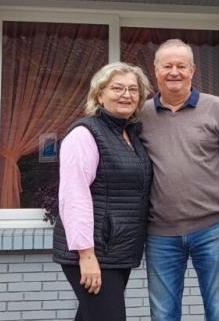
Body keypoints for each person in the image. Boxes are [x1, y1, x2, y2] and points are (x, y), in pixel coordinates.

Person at [139, 39, 219, 321]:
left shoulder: (217, 108)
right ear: (156, 71)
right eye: (167, 66)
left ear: (192, 70)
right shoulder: (141, 114)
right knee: (163, 316)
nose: (174, 72)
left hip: (212, 228)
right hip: (160, 232)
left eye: (181, 66)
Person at [52, 62, 153, 321]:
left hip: (117, 250)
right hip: (95, 252)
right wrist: (86, 255)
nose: (126, 94)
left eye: (133, 89)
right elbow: (74, 196)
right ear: (99, 94)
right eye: (117, 88)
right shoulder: (85, 134)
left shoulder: (129, 135)